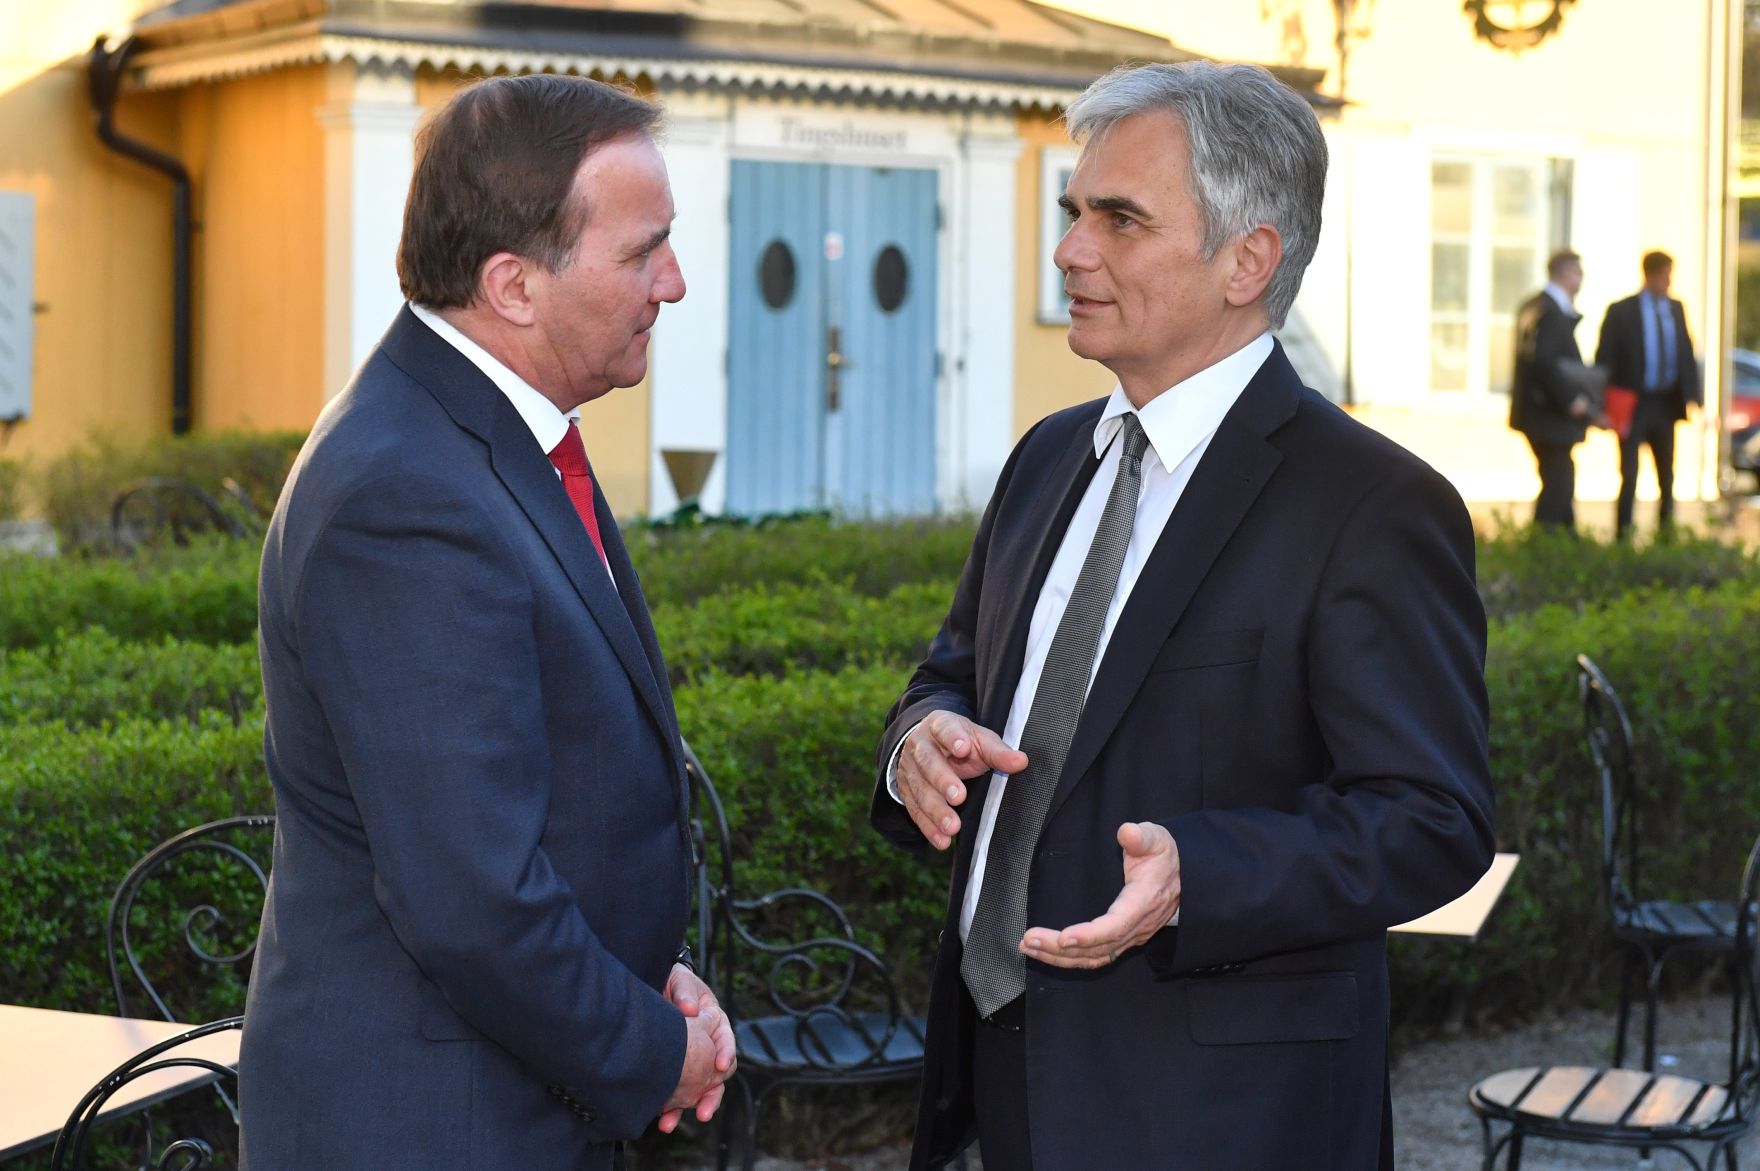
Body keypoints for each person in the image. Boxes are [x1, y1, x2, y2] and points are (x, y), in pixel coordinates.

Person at [870, 60, 1495, 1171]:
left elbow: (1432, 820)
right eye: (1074, 213)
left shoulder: (1368, 504)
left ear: (1245, 259)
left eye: (1118, 218)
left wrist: (1198, 875)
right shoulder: (1046, 456)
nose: (1069, 249)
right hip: (997, 1077)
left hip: (1220, 1116)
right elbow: (954, 673)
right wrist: (919, 739)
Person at [240, 74, 734, 1170]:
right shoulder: (403, 495)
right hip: (435, 1125)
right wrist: (656, 1050)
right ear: (512, 284)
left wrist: (645, 979)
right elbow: (471, 896)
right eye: (641, 251)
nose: (676, 282)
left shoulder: (482, 433)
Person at [1596, 250, 1703, 537]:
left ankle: (1666, 534)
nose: (1669, 282)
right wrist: (1604, 404)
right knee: (1629, 473)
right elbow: (1605, 358)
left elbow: (1686, 353)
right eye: (1666, 275)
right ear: (1652, 275)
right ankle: (1623, 535)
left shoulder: (1675, 308)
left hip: (1665, 402)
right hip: (1633, 402)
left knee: (1666, 473)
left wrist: (1695, 398)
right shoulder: (1622, 311)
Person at [1509, 250, 1596, 530]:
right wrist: (1571, 400)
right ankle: (1547, 546)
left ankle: (1562, 545)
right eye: (1578, 274)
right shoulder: (1549, 311)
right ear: (1565, 273)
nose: (1581, 281)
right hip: (1548, 416)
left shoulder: (1536, 306)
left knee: (1558, 479)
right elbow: (1544, 362)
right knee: (1559, 482)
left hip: (1539, 414)